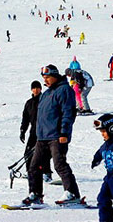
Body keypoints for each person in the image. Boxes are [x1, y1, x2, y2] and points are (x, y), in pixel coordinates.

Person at [23, 65, 81, 206]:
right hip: (43, 137)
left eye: (48, 77)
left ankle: (72, 193)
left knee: (59, 164)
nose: (45, 80)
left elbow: (68, 113)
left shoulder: (64, 90)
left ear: (55, 76)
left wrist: (64, 132)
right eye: (44, 78)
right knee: (34, 166)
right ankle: (35, 195)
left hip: (57, 136)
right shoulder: (47, 93)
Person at [20, 81, 54, 182]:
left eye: (38, 88)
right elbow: (25, 119)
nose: (36, 90)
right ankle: (30, 172)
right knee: (28, 153)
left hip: (45, 131)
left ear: (40, 89)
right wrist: (22, 131)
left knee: (44, 153)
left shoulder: (45, 100)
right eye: (34, 88)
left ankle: (46, 173)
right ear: (31, 90)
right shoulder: (29, 103)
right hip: (33, 131)